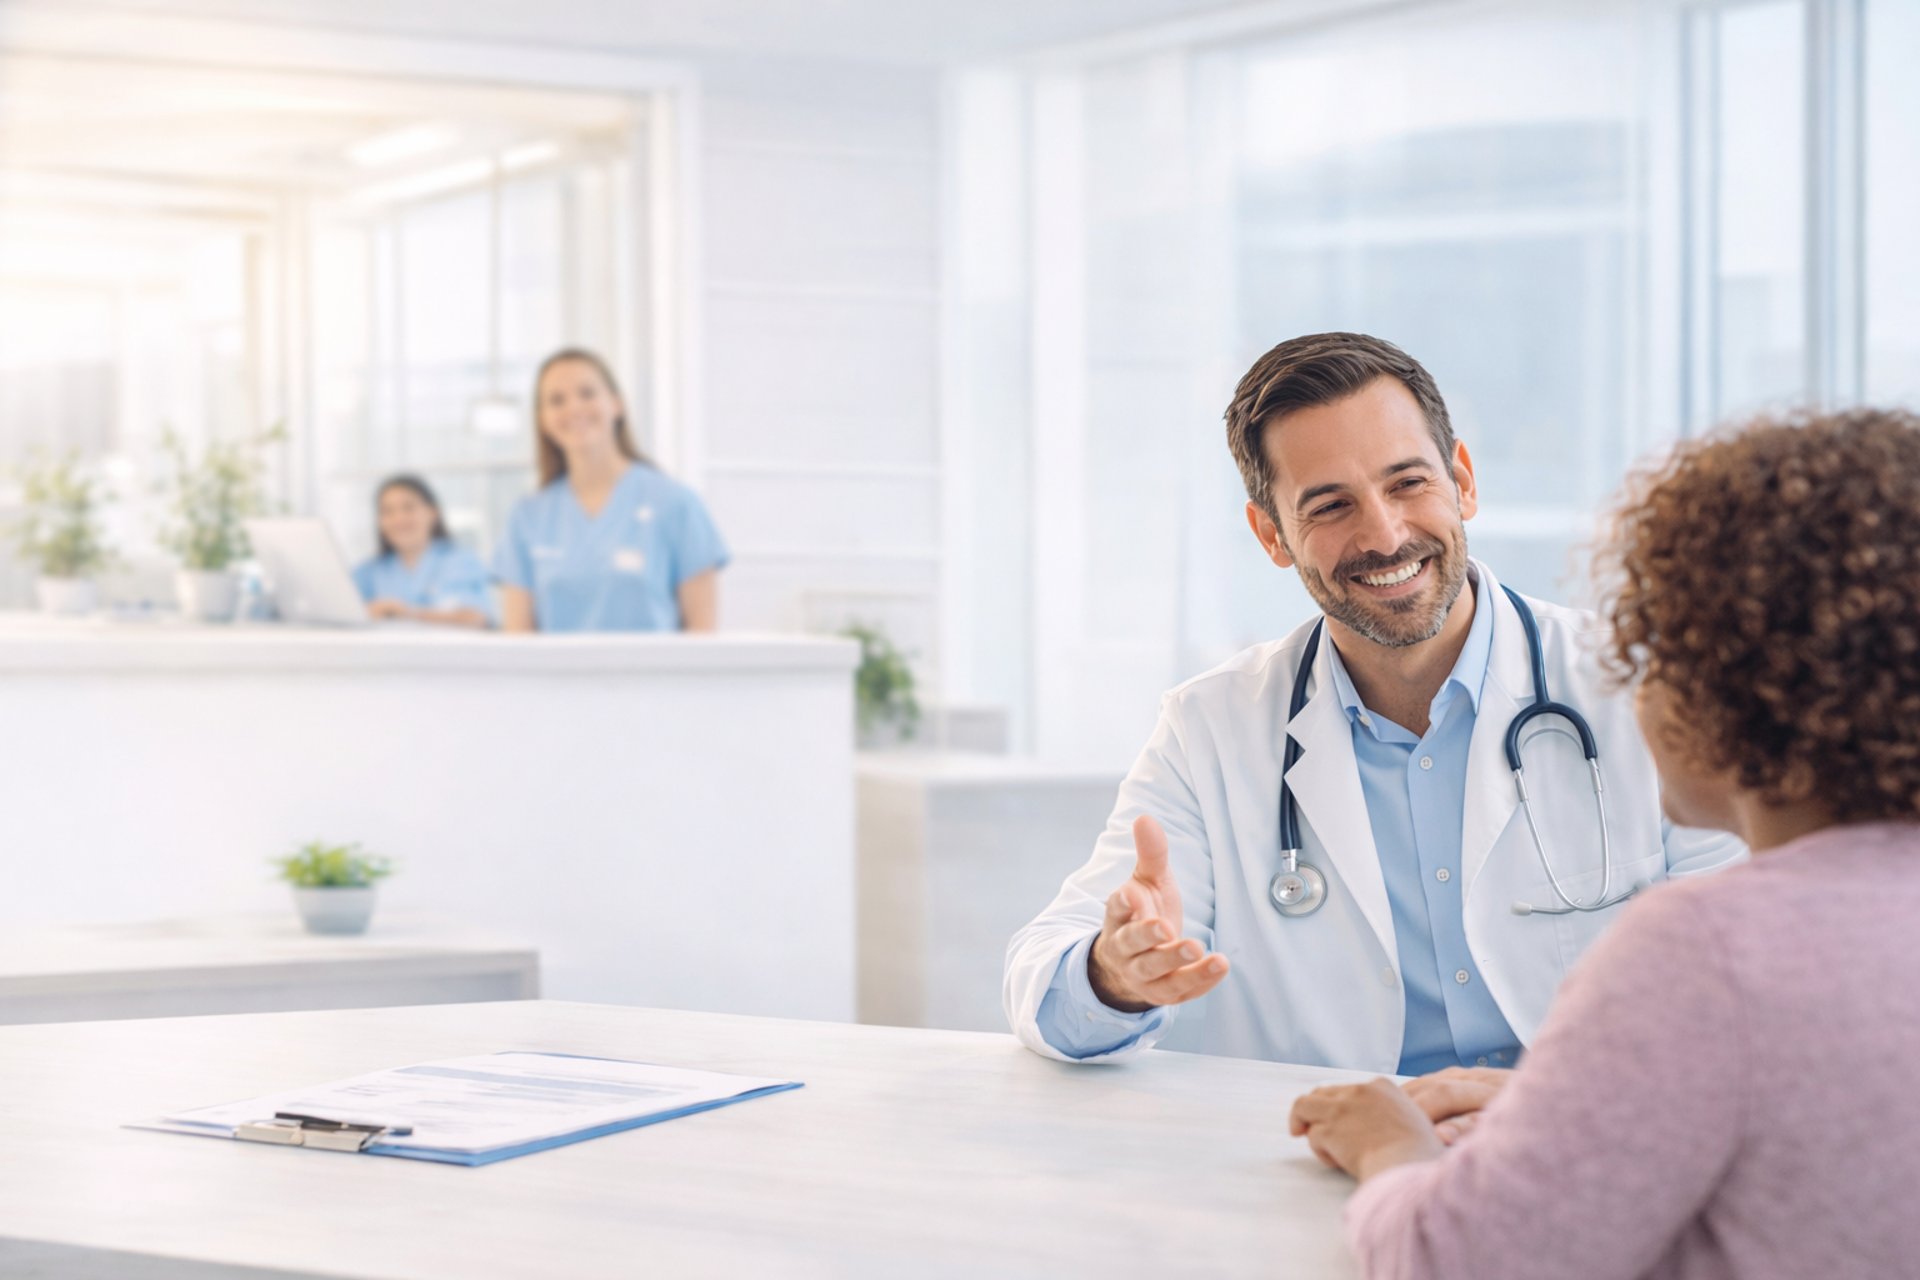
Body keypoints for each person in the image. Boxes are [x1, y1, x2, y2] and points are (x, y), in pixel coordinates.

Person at [1289, 406, 1920, 1279]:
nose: (1630, 679)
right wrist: (1574, 1111)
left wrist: (1390, 1146)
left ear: (1733, 682)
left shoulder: (1706, 949)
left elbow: (1457, 1260)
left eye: (1654, 646)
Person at [1004, 332, 1744, 1073]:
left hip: (1594, 1149)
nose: (1385, 535)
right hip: (1333, 1161)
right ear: (1272, 535)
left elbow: (1749, 961)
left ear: (1463, 480)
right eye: (1330, 506)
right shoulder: (1211, 731)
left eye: (1408, 483)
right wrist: (1115, 975)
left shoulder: (1641, 681)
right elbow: (1044, 980)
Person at [496, 348, 728, 632]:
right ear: (543, 419)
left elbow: (702, 635)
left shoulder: (676, 503)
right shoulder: (527, 517)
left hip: (653, 676)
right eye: (556, 400)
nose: (574, 408)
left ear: (616, 404)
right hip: (558, 677)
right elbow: (518, 640)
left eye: (587, 393)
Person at [351, 474, 495, 628]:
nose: (399, 518)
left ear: (432, 513)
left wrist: (405, 614)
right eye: (388, 511)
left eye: (408, 508)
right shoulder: (368, 572)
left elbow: (476, 618)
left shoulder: (460, 562)